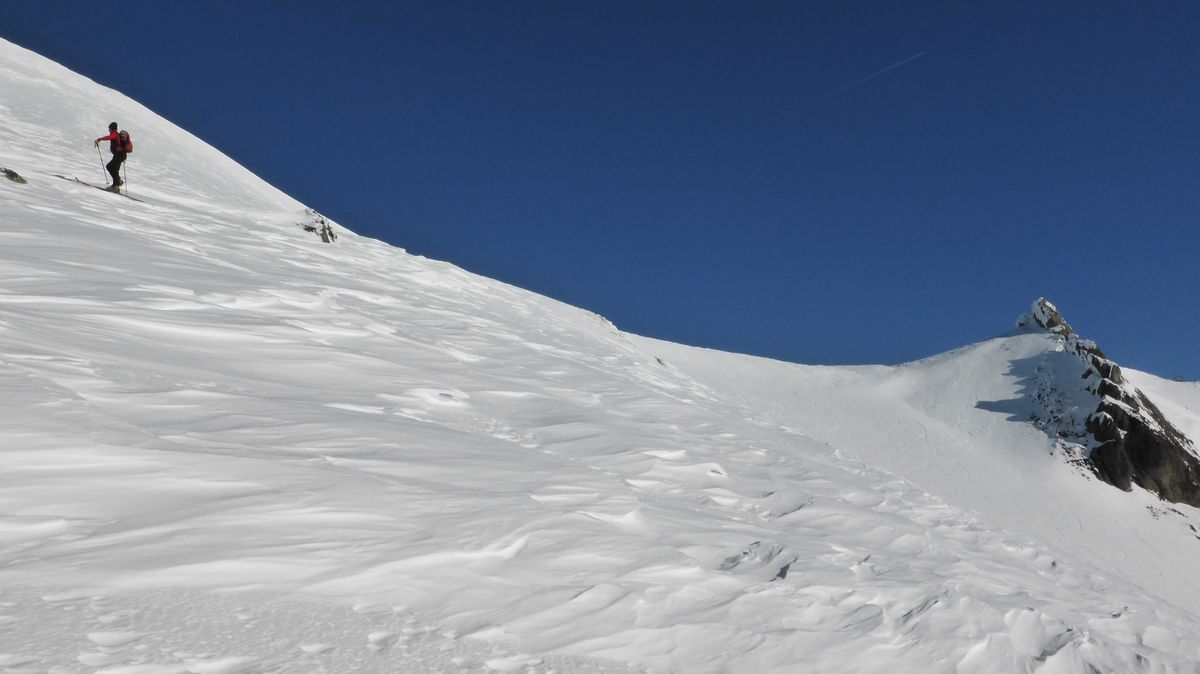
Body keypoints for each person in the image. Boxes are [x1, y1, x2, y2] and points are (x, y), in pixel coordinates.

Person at [94, 122, 127, 191]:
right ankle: (117, 183)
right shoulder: (116, 134)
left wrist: (99, 139)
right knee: (112, 168)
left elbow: (109, 137)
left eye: (109, 128)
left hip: (119, 155)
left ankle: (116, 185)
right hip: (120, 155)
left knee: (112, 168)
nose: (109, 130)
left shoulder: (114, 134)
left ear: (111, 128)